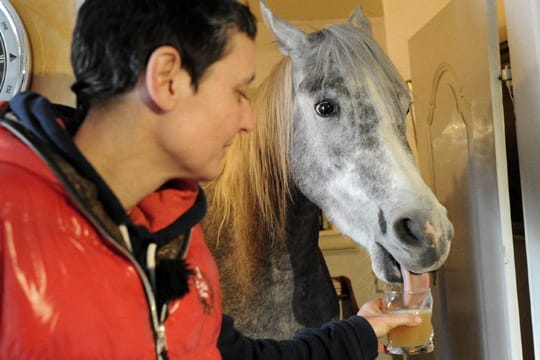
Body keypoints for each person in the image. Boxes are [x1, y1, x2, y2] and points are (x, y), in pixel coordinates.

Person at [0, 0, 420, 358]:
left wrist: (360, 333)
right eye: (238, 92)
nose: (249, 120)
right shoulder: (10, 221)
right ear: (166, 80)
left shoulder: (180, 235)